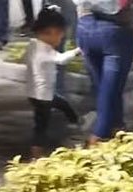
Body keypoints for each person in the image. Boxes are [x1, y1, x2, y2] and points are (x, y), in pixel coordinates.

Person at [76, 0, 133, 144]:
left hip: (84, 28)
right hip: (116, 32)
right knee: (110, 90)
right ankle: (98, 136)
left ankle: (118, 129)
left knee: (105, 89)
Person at [26, 6, 81, 158]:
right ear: (49, 33)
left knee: (63, 104)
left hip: (35, 93)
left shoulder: (33, 45)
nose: (59, 40)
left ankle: (75, 123)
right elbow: (61, 59)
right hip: (43, 96)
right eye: (59, 36)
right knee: (41, 125)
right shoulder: (44, 51)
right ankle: (36, 154)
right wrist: (77, 51)